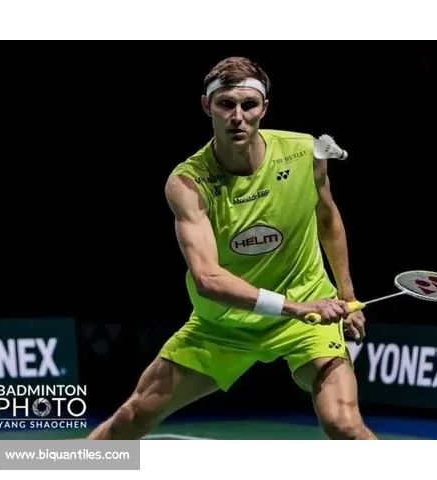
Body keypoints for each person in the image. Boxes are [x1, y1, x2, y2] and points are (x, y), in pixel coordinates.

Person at [86, 56, 378, 440]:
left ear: (264, 108)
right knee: (134, 415)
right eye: (226, 104)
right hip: (224, 324)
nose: (237, 116)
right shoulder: (188, 183)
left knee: (343, 424)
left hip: (308, 317)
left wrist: (347, 294)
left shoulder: (305, 153)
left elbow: (327, 218)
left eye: (248, 105)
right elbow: (208, 279)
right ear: (207, 106)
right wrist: (295, 307)